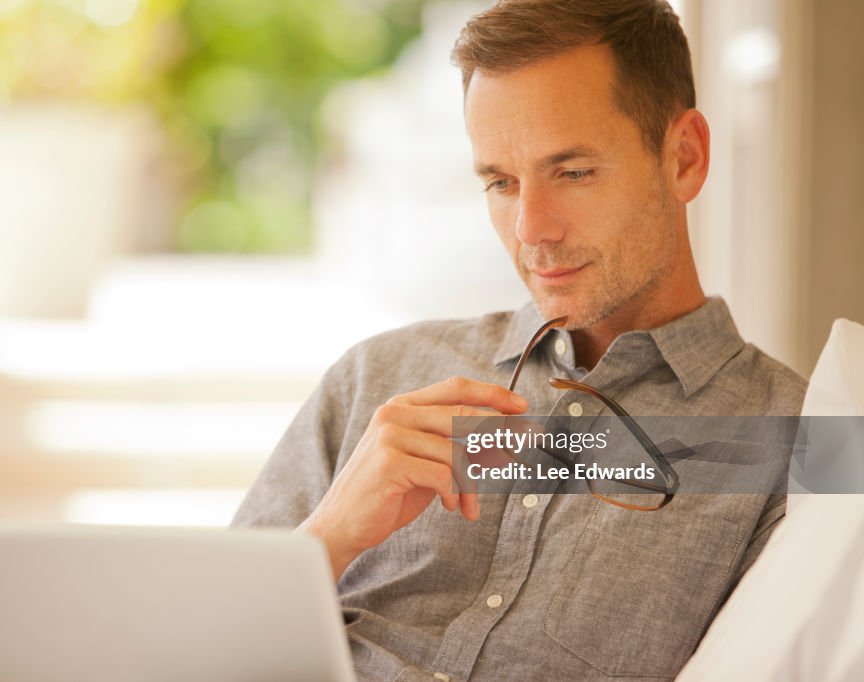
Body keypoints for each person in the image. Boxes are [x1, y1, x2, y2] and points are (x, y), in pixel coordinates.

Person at [233, 1, 806, 680]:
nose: (531, 229)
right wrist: (326, 542)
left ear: (684, 157)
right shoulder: (376, 379)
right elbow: (185, 653)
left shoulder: (797, 448)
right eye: (501, 182)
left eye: (573, 172)